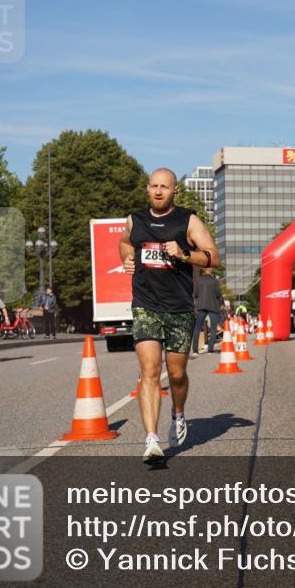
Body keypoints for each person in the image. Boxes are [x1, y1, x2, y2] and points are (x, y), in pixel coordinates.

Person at [120, 167, 218, 464]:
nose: (158, 191)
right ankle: (151, 440)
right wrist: (125, 256)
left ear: (175, 191)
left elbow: (214, 256)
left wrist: (185, 254)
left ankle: (178, 413)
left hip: (178, 308)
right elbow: (126, 241)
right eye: (154, 186)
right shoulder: (134, 219)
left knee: (175, 374)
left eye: (164, 186)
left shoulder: (187, 220)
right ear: (147, 189)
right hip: (145, 304)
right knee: (149, 371)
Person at [190, 267, 223, 356]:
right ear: (211, 271)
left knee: (198, 327)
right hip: (213, 306)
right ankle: (210, 348)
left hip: (201, 305)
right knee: (213, 327)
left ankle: (195, 350)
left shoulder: (198, 280)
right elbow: (218, 294)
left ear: (204, 271)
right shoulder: (215, 281)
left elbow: (196, 294)